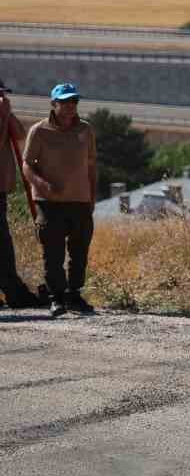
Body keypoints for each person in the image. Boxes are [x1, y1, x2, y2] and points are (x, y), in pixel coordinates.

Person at [21, 83, 97, 317]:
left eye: (73, 101)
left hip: (80, 201)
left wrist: (92, 197)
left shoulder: (85, 130)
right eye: (64, 102)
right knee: (53, 253)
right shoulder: (39, 130)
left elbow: (91, 165)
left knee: (79, 252)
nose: (69, 107)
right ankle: (56, 298)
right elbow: (27, 165)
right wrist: (42, 185)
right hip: (49, 203)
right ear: (53, 104)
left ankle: (74, 295)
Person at [0, 79, 43, 309]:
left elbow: (19, 134)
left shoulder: (3, 114)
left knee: (3, 241)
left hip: (1, 190)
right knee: (2, 243)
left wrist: (8, 114)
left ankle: (12, 289)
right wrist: (4, 115)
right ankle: (13, 291)